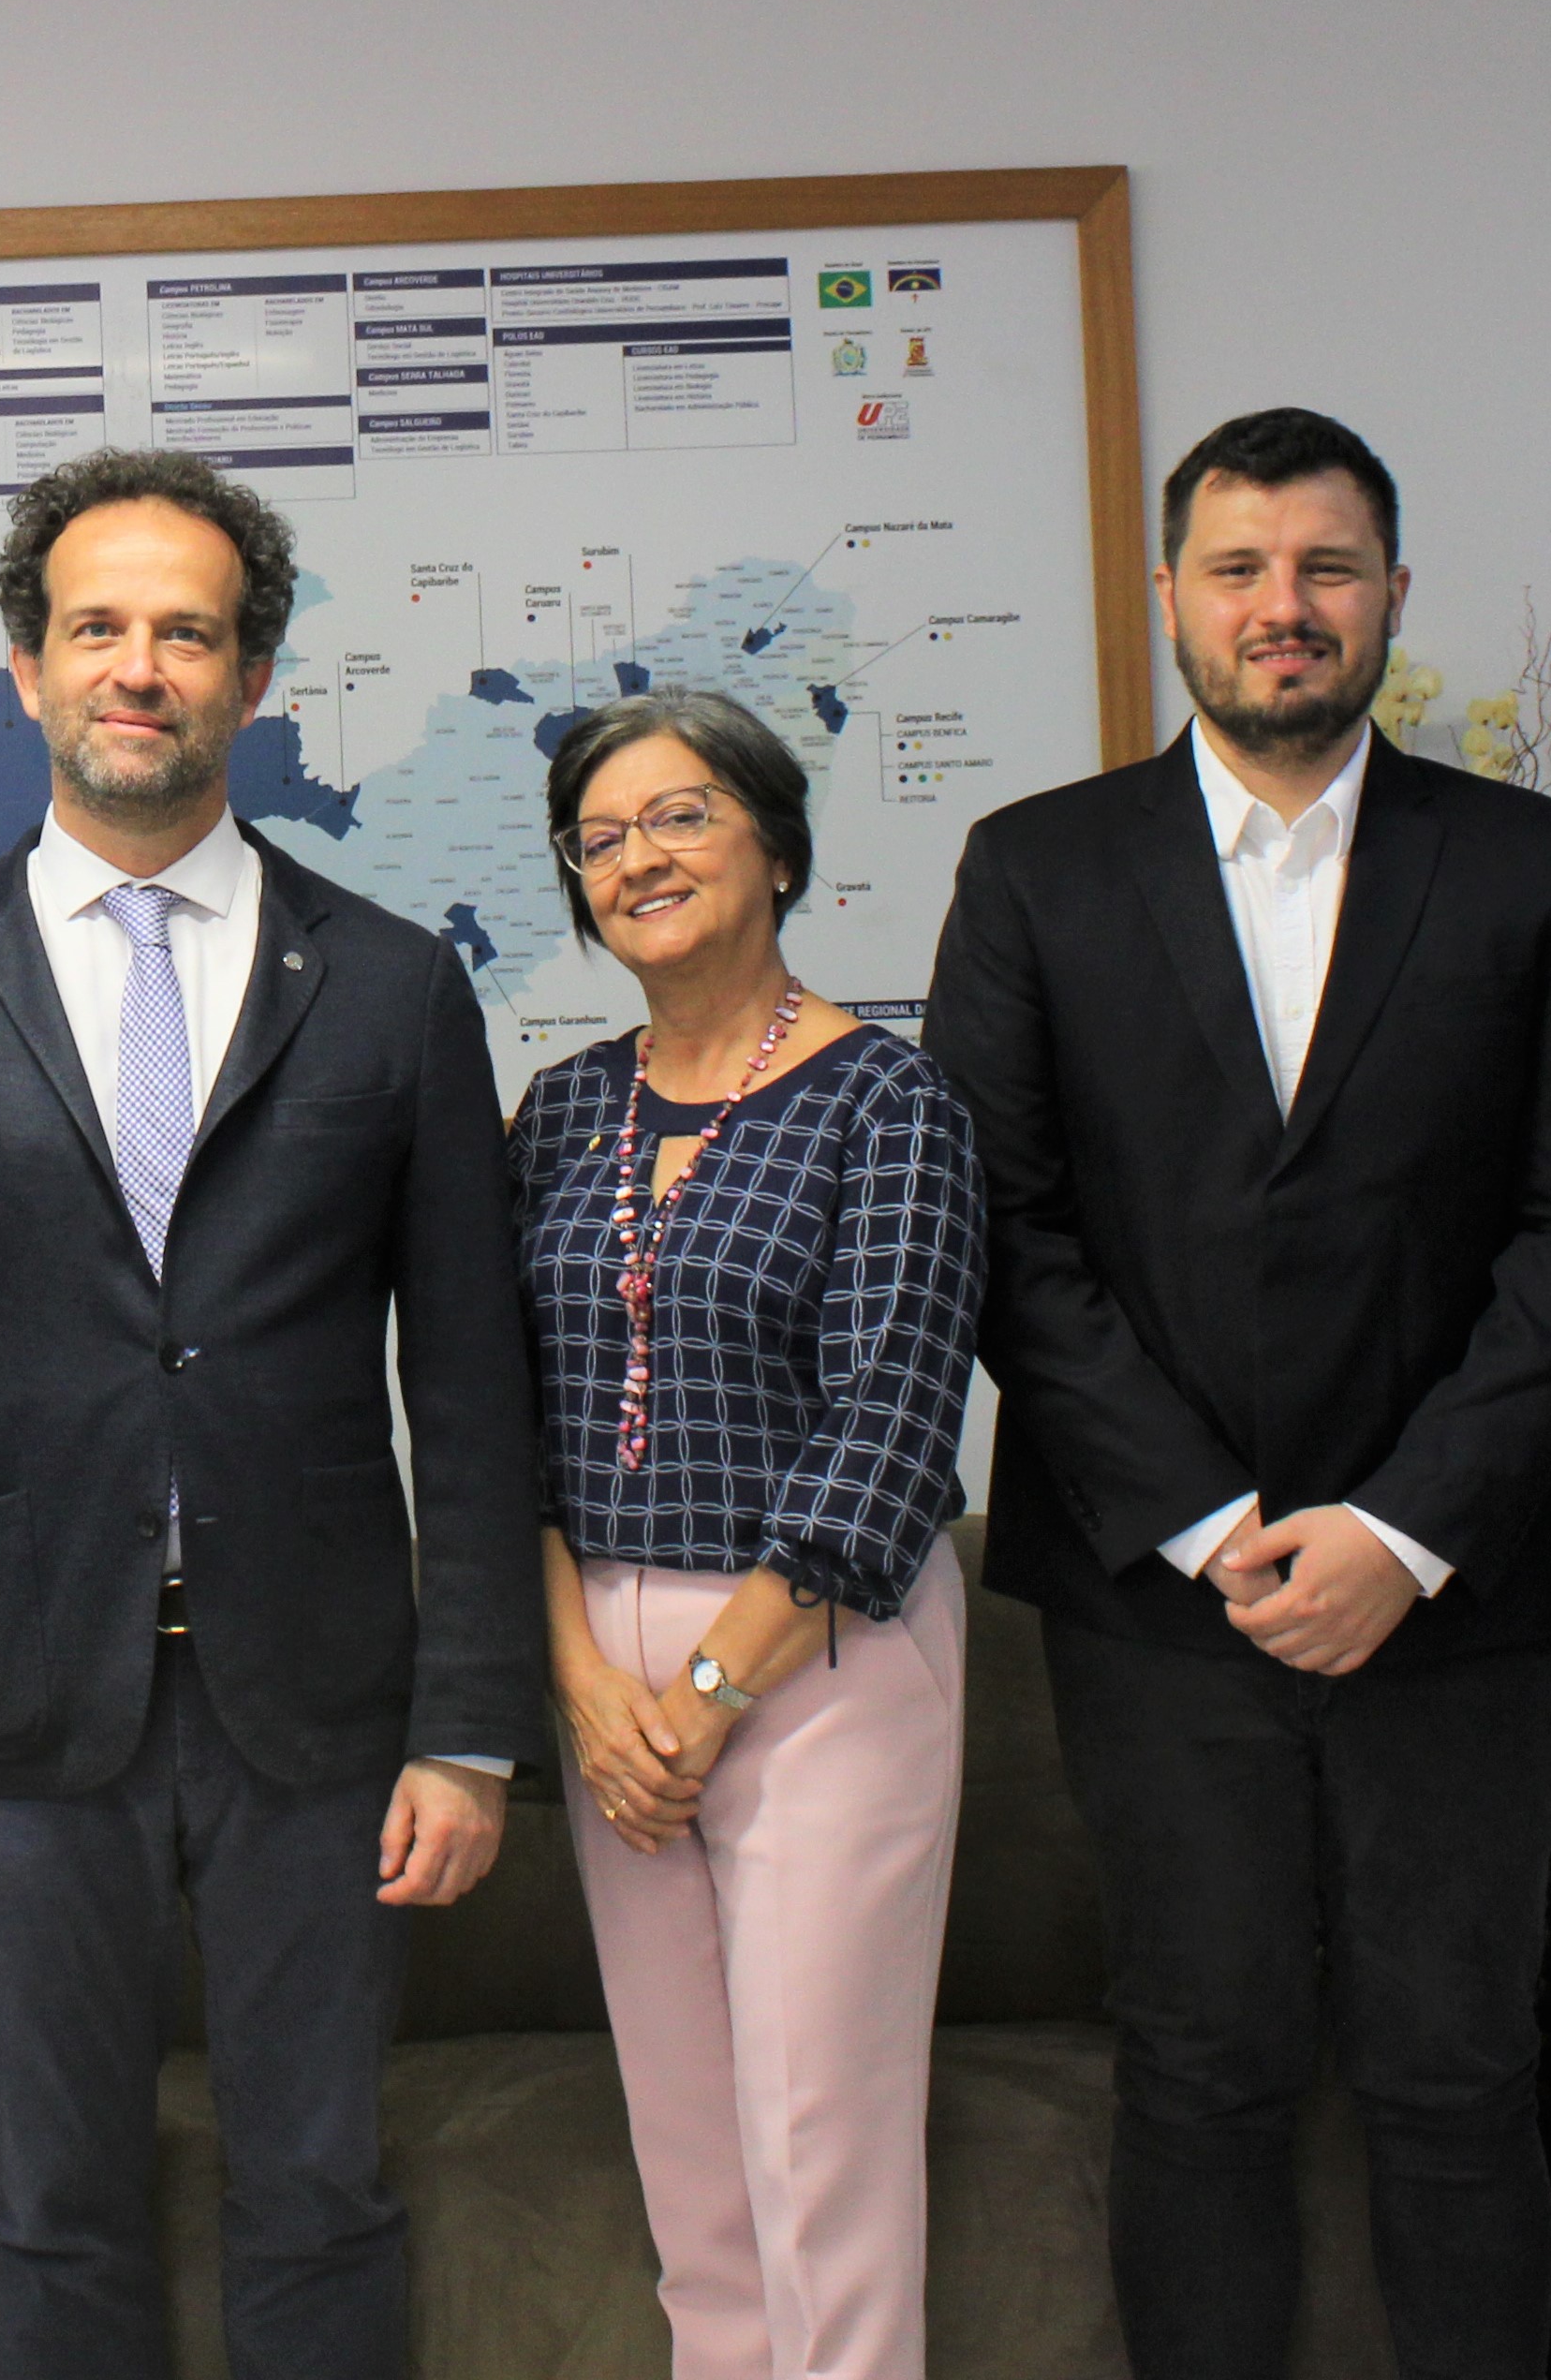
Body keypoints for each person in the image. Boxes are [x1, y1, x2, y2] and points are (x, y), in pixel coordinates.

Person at [922, 405, 1551, 2380]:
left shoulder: (1534, 867)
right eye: (1241, 567)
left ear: (1393, 594)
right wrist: (1209, 1521)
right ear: (1170, 594)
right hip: (1161, 1590)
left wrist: (1403, 1528)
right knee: (1202, 2060)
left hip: (1465, 1588)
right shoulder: (1037, 869)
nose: (1285, 604)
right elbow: (1002, 1224)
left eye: (1328, 566)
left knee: (1458, 2066)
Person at [0, 445, 539, 2380]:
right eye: (98, 626)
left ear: (253, 678)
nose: (141, 666)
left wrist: (469, 1727)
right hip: (21, 1703)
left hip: (326, 1708)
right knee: (54, 2199)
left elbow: (471, 1390)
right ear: (26, 667)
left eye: (187, 633)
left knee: (322, 2189)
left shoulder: (391, 988)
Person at [519, 688, 984, 2380]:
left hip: (819, 1657)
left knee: (820, 2163)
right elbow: (506, 1421)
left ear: (777, 846)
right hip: (605, 1683)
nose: (639, 857)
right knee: (694, 2178)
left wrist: (709, 1694)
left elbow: (891, 1432)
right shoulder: (558, 1111)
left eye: (682, 815)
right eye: (601, 838)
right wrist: (583, 1685)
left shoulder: (890, 1101)